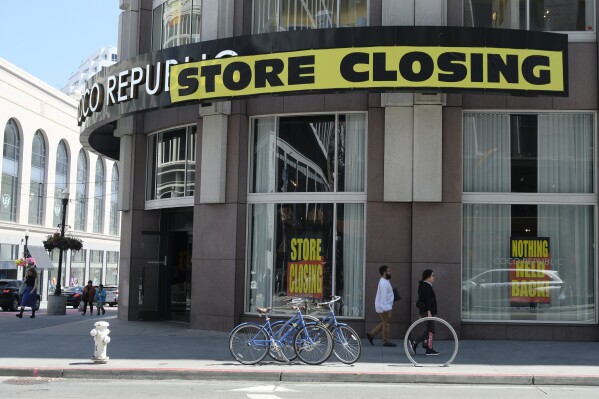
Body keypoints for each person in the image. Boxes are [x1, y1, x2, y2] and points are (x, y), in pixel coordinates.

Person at [410, 269, 440, 356]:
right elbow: (428, 300)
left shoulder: (425, 285)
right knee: (431, 329)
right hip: (427, 312)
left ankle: (427, 347)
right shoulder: (426, 286)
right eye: (433, 275)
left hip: (425, 311)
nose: (434, 277)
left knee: (429, 329)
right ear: (428, 277)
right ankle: (418, 343)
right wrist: (429, 311)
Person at [366, 265, 396, 347]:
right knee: (386, 324)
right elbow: (383, 297)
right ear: (384, 272)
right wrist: (385, 308)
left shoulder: (385, 281)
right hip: (385, 307)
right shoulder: (383, 282)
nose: (390, 272)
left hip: (387, 306)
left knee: (384, 323)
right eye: (388, 271)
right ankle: (386, 341)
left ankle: (371, 334)